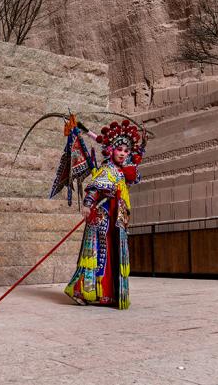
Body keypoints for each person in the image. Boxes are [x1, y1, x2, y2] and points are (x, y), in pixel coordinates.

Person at [64, 119, 145, 309]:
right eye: (119, 150)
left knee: (114, 253)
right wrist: (87, 204)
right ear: (111, 150)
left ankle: (110, 294)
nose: (123, 153)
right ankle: (83, 291)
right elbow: (94, 189)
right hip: (102, 218)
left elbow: (134, 173)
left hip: (118, 218)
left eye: (126, 151)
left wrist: (140, 151)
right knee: (99, 254)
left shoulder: (123, 171)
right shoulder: (107, 170)